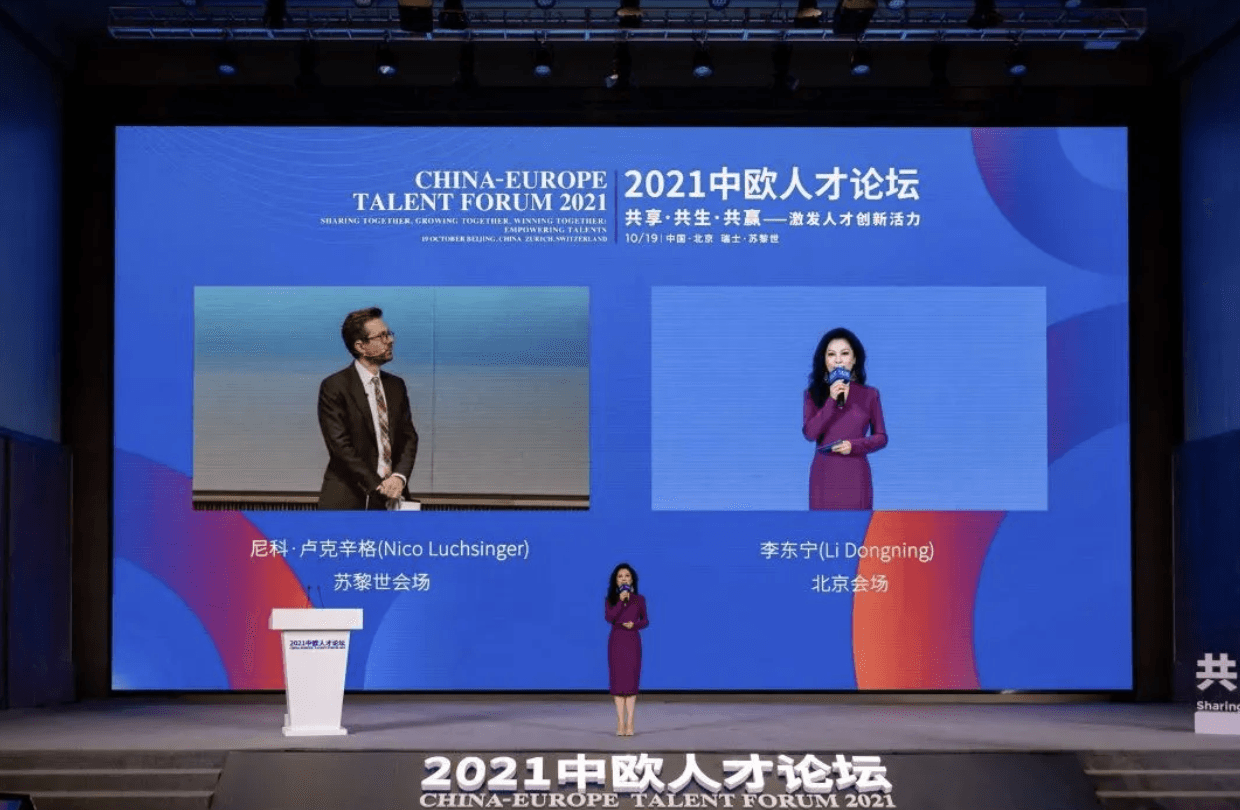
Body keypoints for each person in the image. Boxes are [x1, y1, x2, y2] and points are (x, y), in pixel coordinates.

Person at [317, 307, 419, 510]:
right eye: (381, 336)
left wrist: (398, 478)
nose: (390, 340)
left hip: (394, 496)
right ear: (361, 346)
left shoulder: (396, 386)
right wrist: (378, 485)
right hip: (348, 498)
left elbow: (409, 437)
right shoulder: (335, 386)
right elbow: (340, 446)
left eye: (389, 334)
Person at [802, 327, 888, 510]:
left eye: (844, 353)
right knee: (823, 527)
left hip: (856, 474)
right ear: (824, 360)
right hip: (824, 475)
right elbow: (810, 433)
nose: (838, 360)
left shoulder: (870, 395)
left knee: (857, 526)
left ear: (854, 359)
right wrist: (831, 401)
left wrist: (854, 445)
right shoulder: (812, 394)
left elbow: (881, 437)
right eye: (831, 354)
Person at [604, 563, 649, 736]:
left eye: (627, 576)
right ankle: (620, 722)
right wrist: (620, 602)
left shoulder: (639, 599)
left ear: (632, 580)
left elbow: (645, 620)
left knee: (630, 681)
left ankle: (630, 722)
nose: (624, 579)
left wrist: (634, 624)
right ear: (616, 581)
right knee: (618, 682)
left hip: (632, 641)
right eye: (620, 576)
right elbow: (609, 617)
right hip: (617, 640)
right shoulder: (610, 599)